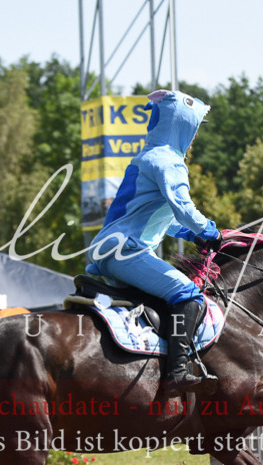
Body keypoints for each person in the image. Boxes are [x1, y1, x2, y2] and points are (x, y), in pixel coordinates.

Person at [87, 90, 221, 395]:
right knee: (189, 295)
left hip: (111, 250)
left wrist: (192, 235)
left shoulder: (148, 156)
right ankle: (177, 373)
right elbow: (184, 209)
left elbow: (160, 219)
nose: (195, 136)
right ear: (181, 125)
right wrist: (211, 232)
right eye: (194, 127)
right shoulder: (169, 162)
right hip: (127, 252)